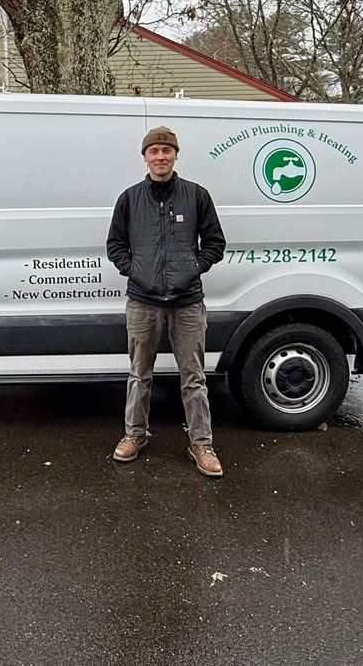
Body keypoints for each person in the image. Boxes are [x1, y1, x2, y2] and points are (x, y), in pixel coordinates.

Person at [106, 127, 227, 476]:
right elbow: (115, 245)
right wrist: (137, 271)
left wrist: (193, 268)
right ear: (144, 157)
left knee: (193, 376)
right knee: (139, 373)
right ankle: (134, 435)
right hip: (143, 301)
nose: (160, 157)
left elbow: (215, 242)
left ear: (176, 155)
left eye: (167, 150)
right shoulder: (129, 199)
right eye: (154, 151)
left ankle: (201, 444)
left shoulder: (196, 195)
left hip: (187, 301)